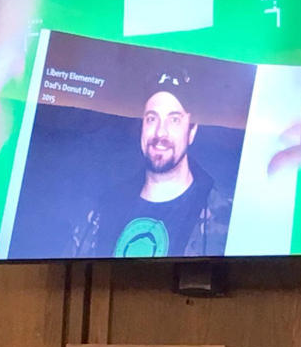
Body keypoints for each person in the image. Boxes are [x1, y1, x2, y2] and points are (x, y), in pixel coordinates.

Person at [73, 71, 232, 258]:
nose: (160, 133)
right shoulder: (102, 210)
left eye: (174, 120)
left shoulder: (225, 215)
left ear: (191, 131)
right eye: (151, 119)